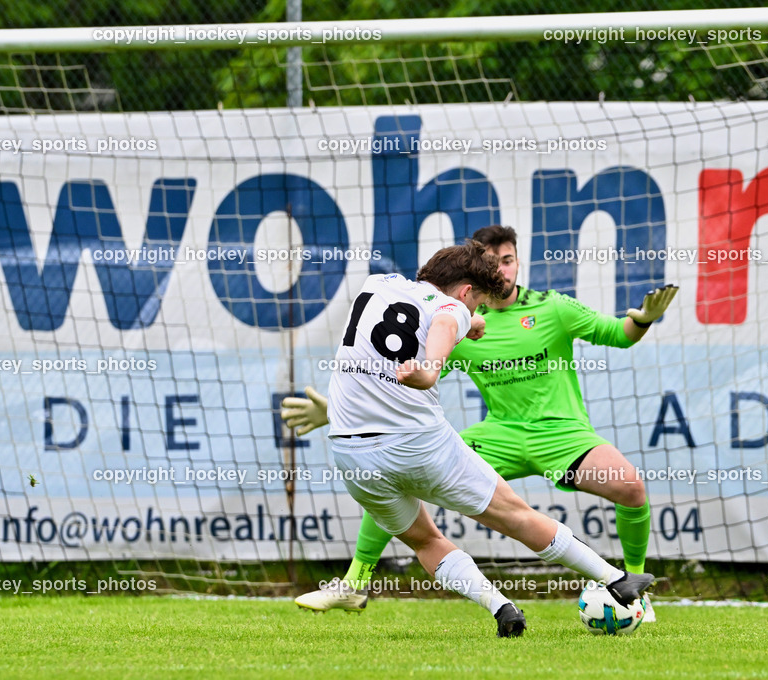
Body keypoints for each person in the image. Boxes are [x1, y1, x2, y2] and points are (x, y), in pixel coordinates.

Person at [286, 226, 677, 619]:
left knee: (629, 485)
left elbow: (617, 334)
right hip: (495, 435)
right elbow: (424, 343)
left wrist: (643, 321)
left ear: (518, 261)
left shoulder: (551, 306)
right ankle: (355, 582)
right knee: (494, 510)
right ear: (468, 288)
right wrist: (439, 355)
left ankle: (630, 593)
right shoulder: (455, 312)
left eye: (507, 261)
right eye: (492, 264)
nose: (502, 271)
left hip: (559, 434)